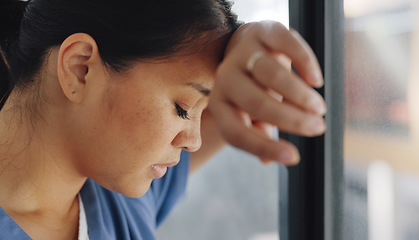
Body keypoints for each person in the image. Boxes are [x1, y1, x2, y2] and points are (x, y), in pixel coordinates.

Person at [0, 0, 326, 239]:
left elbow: (238, 93)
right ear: (80, 69)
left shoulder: (120, 198)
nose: (195, 140)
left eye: (201, 110)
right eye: (183, 108)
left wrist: (246, 39)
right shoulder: (123, 192)